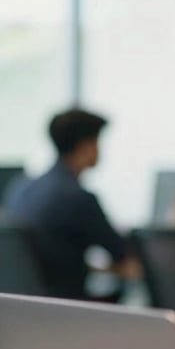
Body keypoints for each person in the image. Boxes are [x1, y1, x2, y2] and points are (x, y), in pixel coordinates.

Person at [3, 108, 139, 301]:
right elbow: (122, 255)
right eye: (97, 142)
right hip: (67, 308)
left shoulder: (21, 187)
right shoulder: (77, 198)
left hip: (23, 308)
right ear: (85, 146)